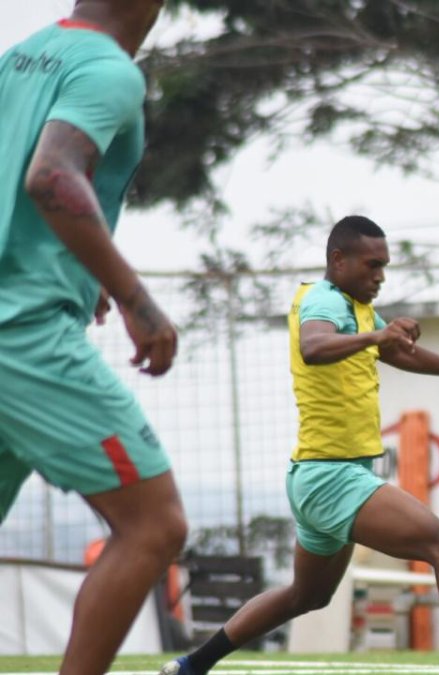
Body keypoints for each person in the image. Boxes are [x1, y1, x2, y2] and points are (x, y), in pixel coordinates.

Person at [162, 216, 439, 675]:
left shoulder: (357, 310)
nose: (381, 276)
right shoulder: (322, 300)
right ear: (339, 259)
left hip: (317, 476)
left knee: (307, 595)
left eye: (384, 266)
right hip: (333, 477)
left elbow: (398, 352)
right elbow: (315, 346)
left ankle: (192, 664)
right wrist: (377, 335)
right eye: (373, 265)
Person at [0, 2, 187, 674]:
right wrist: (138, 300)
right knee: (154, 523)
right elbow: (52, 177)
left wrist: (79, 264)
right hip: (23, 336)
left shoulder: (22, 55)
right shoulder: (110, 70)